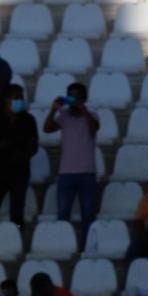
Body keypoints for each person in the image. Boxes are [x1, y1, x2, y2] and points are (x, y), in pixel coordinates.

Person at [43, 81, 100, 231]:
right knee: (63, 214)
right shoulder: (63, 115)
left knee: (88, 214)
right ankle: (62, 243)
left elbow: (94, 128)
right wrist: (53, 109)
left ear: (84, 98)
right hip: (66, 173)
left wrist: (83, 110)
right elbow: (47, 129)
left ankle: (87, 248)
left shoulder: (92, 115)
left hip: (87, 173)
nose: (73, 100)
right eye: (71, 96)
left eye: (77, 97)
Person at [0, 84, 38, 227]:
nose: (20, 101)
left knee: (17, 211)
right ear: (6, 99)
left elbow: (33, 146)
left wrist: (22, 154)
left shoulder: (28, 120)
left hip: (20, 171)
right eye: (16, 98)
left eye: (21, 98)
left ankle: (17, 238)